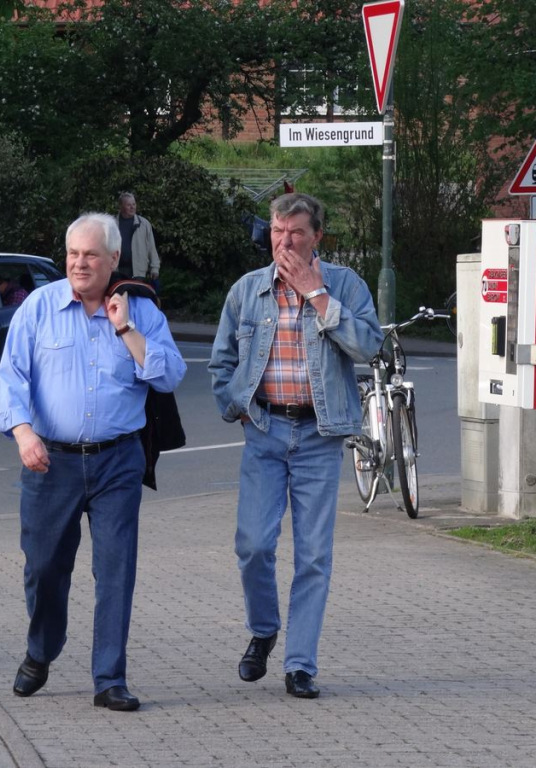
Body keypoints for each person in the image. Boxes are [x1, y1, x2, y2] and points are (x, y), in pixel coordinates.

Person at [0, 212, 186, 712]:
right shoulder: (39, 307)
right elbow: (11, 379)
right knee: (44, 569)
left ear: (114, 259)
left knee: (116, 570)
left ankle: (109, 678)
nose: (80, 263)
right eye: (73, 254)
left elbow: (169, 376)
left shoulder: (140, 309)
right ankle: (41, 650)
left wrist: (126, 329)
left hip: (117, 460)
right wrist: (23, 433)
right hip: (49, 462)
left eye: (91, 255)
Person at [208, 192, 381, 699]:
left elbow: (368, 345)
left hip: (318, 435)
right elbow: (221, 362)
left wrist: (316, 294)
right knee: (254, 545)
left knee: (313, 555)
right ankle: (264, 630)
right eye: (278, 231)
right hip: (265, 430)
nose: (284, 241)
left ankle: (300, 664)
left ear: (317, 236)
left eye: (296, 232)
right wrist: (237, 406)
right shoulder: (248, 290)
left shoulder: (345, 284)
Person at [115, 192, 161, 288]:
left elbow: (151, 248)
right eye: (129, 205)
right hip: (117, 272)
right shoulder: (112, 224)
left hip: (138, 273)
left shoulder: (144, 224)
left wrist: (155, 268)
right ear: (121, 206)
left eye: (134, 204)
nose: (132, 207)